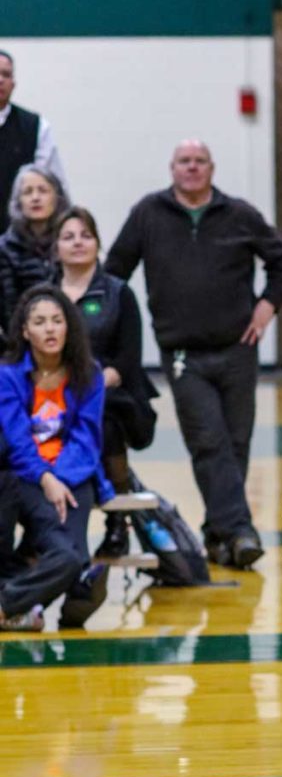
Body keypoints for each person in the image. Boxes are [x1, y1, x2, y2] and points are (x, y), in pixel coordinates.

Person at [105, 139, 282, 569]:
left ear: (212, 168)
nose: (192, 167)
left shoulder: (239, 213)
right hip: (182, 355)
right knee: (209, 441)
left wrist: (268, 306)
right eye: (184, 161)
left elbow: (281, 260)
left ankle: (218, 535)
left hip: (238, 349)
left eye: (199, 161)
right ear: (172, 168)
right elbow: (115, 272)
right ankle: (241, 531)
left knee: (236, 444)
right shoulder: (148, 213)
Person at [0, 285, 114, 626]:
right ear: (25, 331)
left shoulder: (89, 373)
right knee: (66, 559)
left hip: (73, 477)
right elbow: (17, 440)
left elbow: (86, 439)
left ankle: (11, 606)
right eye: (39, 322)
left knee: (70, 556)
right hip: (25, 476)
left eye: (56, 320)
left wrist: (59, 478)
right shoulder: (7, 375)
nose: (49, 329)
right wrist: (45, 477)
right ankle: (31, 605)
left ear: (69, 326)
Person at [56, 207, 159, 557]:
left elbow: (127, 360)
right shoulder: (45, 295)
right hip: (54, 393)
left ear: (97, 243)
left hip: (109, 393)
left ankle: (118, 522)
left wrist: (90, 386)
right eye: (68, 237)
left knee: (104, 421)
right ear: (56, 247)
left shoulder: (118, 293)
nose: (77, 243)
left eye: (85, 236)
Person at [0, 463, 83, 632]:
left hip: (8, 582)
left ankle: (8, 609)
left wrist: (46, 478)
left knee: (68, 560)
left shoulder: (15, 480)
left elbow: (65, 554)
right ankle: (17, 614)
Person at [0, 50, 68, 234]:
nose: (0, 80)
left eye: (6, 74)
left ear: (13, 83)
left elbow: (56, 186)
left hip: (22, 239)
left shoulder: (35, 126)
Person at [0, 164, 68, 336]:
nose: (35, 198)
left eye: (43, 191)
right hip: (23, 336)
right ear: (18, 201)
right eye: (28, 192)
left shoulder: (69, 240)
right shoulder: (5, 249)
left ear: (57, 197)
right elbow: (9, 308)